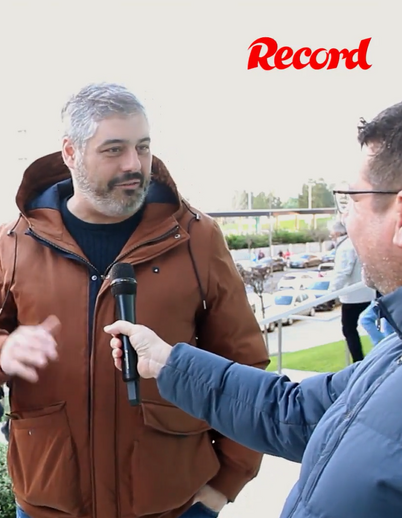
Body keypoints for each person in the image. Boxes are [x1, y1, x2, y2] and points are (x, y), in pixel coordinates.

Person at [0, 83, 270, 518]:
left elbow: (245, 366)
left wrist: (225, 485)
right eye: (114, 150)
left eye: (142, 147)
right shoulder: (13, 242)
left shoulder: (196, 237)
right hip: (48, 505)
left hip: (173, 505)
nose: (134, 164)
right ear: (71, 152)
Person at [103, 100, 402, 518]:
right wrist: (167, 362)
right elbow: (293, 410)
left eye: (350, 200)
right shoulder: (391, 356)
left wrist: (225, 483)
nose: (346, 222)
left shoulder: (198, 236)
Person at [328, 218, 376, 362]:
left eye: (331, 233)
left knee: (349, 329)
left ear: (337, 233)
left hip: (353, 298)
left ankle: (359, 361)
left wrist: (331, 294)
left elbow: (342, 273)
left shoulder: (346, 247)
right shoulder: (359, 241)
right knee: (371, 324)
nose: (331, 236)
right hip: (368, 293)